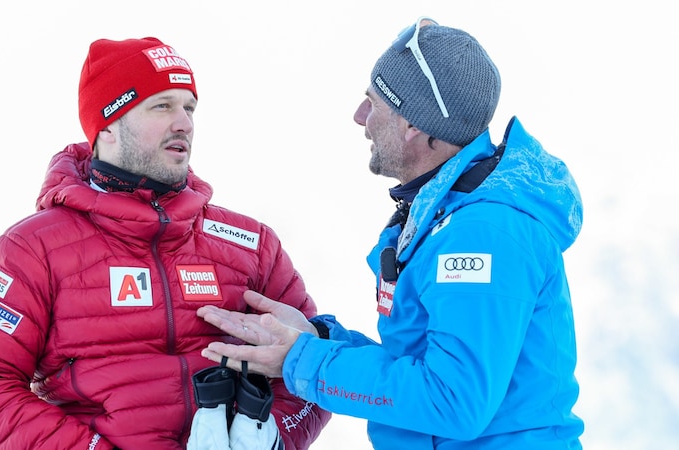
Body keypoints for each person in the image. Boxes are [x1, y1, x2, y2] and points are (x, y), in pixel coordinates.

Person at [196, 17, 585, 449]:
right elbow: (416, 365)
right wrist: (318, 339)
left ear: (413, 124)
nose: (360, 117)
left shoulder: (483, 234)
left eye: (374, 102)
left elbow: (452, 401)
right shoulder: (442, 213)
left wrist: (301, 359)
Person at [0, 36, 330, 450]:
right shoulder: (31, 250)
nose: (184, 122)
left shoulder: (251, 244)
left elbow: (315, 362)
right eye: (162, 105)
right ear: (107, 125)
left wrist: (272, 436)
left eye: (189, 107)